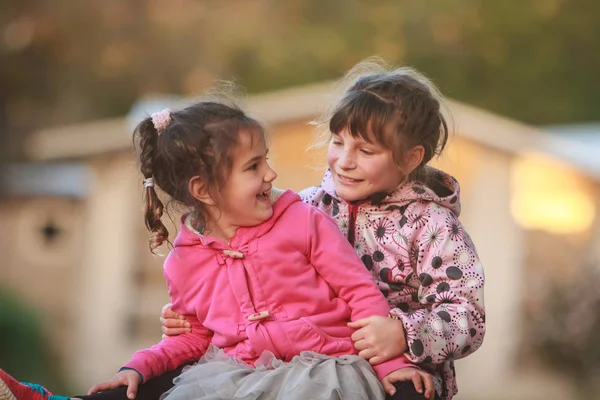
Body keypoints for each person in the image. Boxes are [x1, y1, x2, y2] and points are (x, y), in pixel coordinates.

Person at [0, 96, 437, 400]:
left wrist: (390, 365)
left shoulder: (303, 220)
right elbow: (193, 336)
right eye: (253, 166)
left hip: (324, 370)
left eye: (266, 160)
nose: (271, 174)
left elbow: (360, 293)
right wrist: (138, 366)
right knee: (145, 389)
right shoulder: (186, 260)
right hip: (236, 375)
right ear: (204, 190)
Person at [161, 59, 486, 399]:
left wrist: (404, 334)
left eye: (365, 150)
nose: (345, 160)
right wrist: (192, 314)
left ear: (410, 157)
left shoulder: (434, 226)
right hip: (309, 363)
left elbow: (469, 318)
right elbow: (244, 263)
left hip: (402, 366)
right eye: (337, 142)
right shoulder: (304, 207)